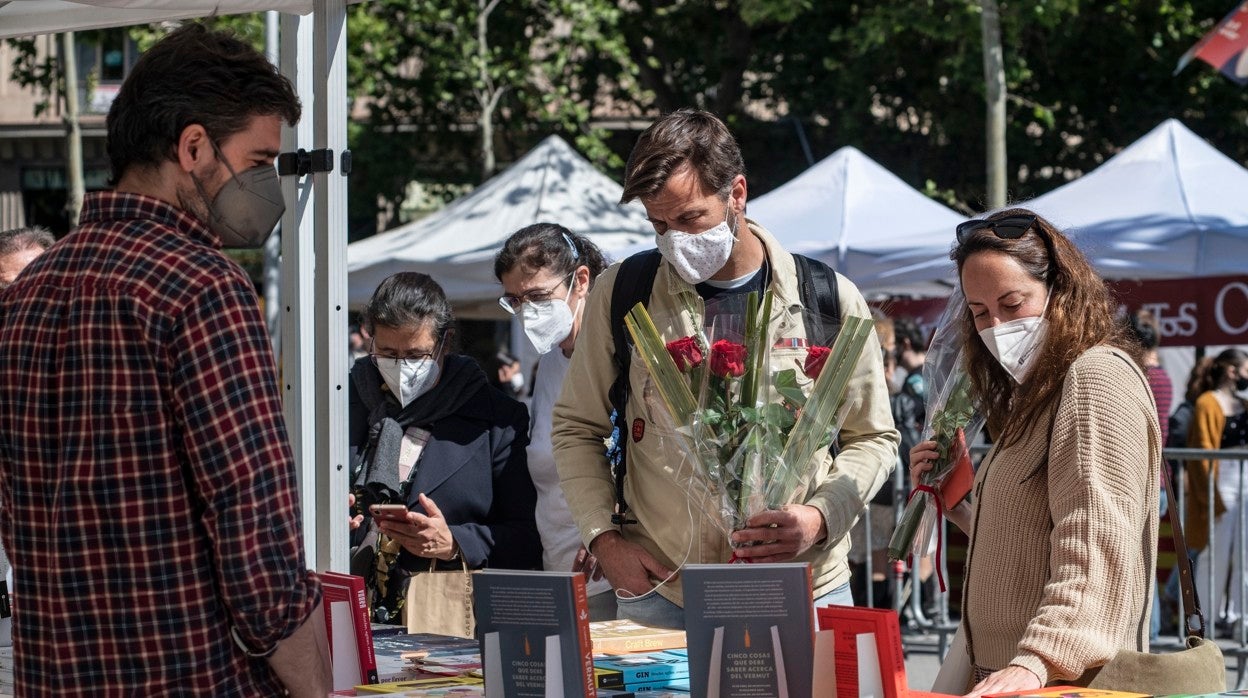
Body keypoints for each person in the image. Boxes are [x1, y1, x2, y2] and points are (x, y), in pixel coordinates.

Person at [0, 25, 330, 696]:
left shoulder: (28, 292)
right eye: (261, 160)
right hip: (191, 675)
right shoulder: (202, 287)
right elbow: (256, 535)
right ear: (193, 146)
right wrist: (316, 686)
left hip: (54, 674)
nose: (268, 183)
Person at [552, 109, 899, 629]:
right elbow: (577, 426)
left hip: (805, 586)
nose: (673, 240)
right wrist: (605, 539)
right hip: (663, 590)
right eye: (658, 224)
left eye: (690, 218)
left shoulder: (826, 297)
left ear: (737, 193)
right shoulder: (624, 293)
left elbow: (873, 437)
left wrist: (822, 516)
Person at [912, 208, 1160, 695]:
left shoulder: (1095, 378)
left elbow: (1095, 539)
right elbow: (1031, 535)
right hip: (1019, 678)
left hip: (1057, 684)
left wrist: (1038, 660)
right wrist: (958, 505)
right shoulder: (1039, 393)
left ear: (1059, 291)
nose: (995, 325)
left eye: (1012, 302)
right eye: (980, 311)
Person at [348, 272, 541, 624]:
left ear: (444, 344)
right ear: (369, 340)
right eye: (388, 353)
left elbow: (529, 536)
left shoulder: (496, 419)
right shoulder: (344, 404)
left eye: (416, 354)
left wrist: (455, 541)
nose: (401, 366)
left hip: (443, 617)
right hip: (350, 608)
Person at [494, 222, 616, 620]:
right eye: (514, 300)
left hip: (613, 578)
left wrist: (608, 528)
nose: (526, 311)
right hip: (559, 573)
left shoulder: (619, 353)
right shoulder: (548, 363)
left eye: (537, 296)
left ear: (581, 280)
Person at [1186, 348, 1248, 632]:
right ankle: (1205, 618)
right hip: (1220, 481)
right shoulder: (1208, 403)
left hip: (1245, 479)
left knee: (1244, 554)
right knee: (1216, 552)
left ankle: (1240, 617)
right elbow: (1201, 454)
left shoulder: (1244, 403)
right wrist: (1211, 497)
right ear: (1232, 371)